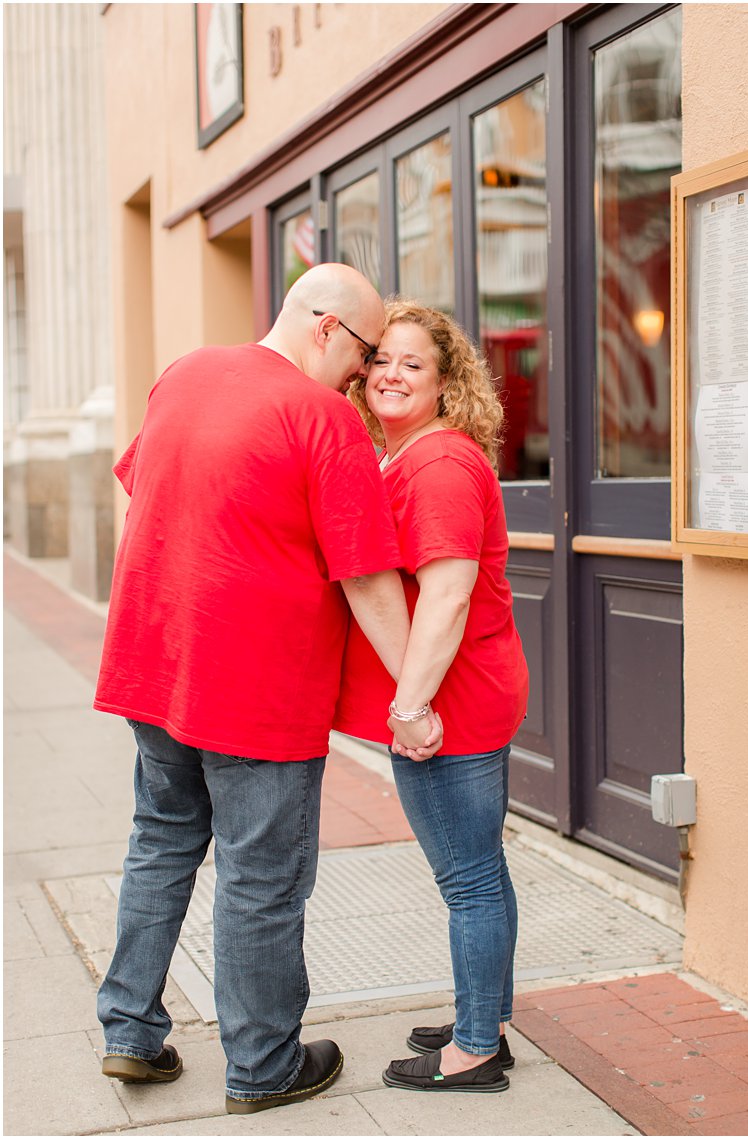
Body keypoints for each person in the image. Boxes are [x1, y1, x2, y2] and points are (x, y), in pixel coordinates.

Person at [93, 264, 440, 1114]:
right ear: (326, 328)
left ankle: (130, 1030)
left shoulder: (184, 374)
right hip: (258, 687)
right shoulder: (323, 418)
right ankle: (263, 1061)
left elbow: (151, 491)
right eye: (363, 355)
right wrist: (418, 695)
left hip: (155, 665)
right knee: (261, 876)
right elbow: (368, 579)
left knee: (162, 841)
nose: (366, 377)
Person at [334, 301, 530, 1094]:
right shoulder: (410, 456)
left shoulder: (438, 464)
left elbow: (446, 598)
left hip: (453, 709)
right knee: (482, 871)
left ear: (448, 384)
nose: (389, 373)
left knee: (470, 881)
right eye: (381, 359)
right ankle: (489, 1016)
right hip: (468, 697)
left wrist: (409, 708)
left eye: (412, 363)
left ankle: (476, 1048)